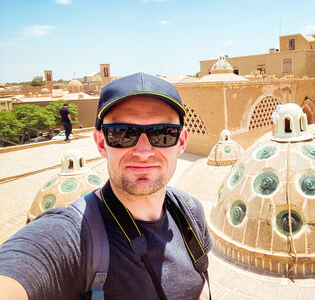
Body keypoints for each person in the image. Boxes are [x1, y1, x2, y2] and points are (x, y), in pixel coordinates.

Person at [0, 73, 212, 300]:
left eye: (162, 134)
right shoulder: (75, 236)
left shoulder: (189, 213)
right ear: (102, 143)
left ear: (180, 142)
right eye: (122, 134)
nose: (143, 152)